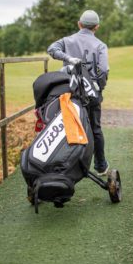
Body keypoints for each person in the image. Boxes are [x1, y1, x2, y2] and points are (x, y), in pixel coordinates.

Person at [47, 10, 109, 176]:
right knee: (95, 128)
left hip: (70, 93)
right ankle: (101, 166)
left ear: (79, 24)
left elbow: (51, 49)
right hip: (91, 93)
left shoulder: (67, 41)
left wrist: (68, 59)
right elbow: (103, 70)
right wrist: (98, 88)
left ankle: (67, 165)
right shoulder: (101, 45)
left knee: (68, 125)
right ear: (97, 27)